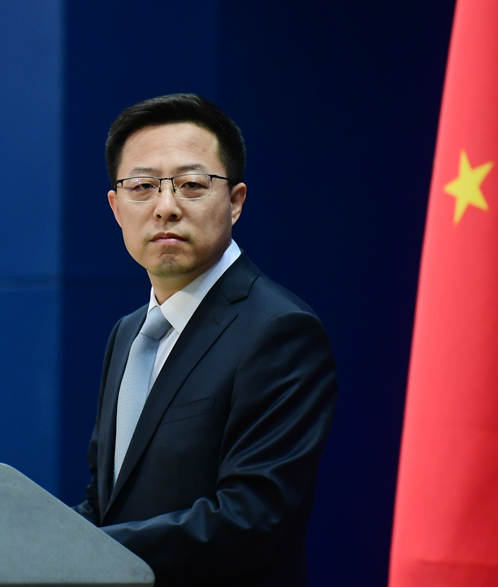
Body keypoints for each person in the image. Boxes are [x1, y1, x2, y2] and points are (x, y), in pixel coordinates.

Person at [73, 94, 337, 586]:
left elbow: (249, 519)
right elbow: (107, 503)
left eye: (191, 185)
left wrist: (77, 550)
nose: (165, 208)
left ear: (235, 202)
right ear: (115, 207)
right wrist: (29, 542)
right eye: (142, 187)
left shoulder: (280, 331)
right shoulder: (127, 334)